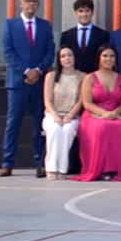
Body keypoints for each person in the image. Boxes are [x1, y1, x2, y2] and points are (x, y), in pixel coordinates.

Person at [2, 0, 55, 177]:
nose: (31, 4)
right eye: (27, 1)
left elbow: (50, 51)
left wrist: (38, 70)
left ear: (38, 5)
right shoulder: (10, 24)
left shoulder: (44, 26)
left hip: (39, 82)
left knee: (39, 124)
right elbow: (8, 52)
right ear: (20, 3)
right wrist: (26, 71)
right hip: (18, 81)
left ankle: (40, 162)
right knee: (13, 123)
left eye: (34, 1)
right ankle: (7, 162)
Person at [71, 46, 121, 182]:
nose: (108, 59)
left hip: (114, 113)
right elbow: (87, 103)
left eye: (112, 56)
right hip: (93, 114)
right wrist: (104, 113)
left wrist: (116, 112)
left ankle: (117, 169)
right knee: (101, 127)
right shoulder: (90, 78)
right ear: (99, 58)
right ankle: (101, 170)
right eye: (105, 56)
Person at [40, 47, 84, 180]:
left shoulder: (83, 76)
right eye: (63, 56)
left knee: (67, 131)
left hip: (72, 116)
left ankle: (62, 169)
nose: (67, 59)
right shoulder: (51, 76)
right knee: (54, 129)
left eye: (69, 55)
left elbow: (81, 101)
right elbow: (47, 100)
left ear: (74, 57)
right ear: (59, 59)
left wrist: (69, 116)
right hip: (52, 114)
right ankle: (50, 167)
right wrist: (55, 115)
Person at [59, 0, 108, 73]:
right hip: (73, 75)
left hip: (95, 76)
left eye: (87, 11)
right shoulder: (67, 35)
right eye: (81, 11)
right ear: (76, 13)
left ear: (92, 13)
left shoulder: (103, 35)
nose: (84, 14)